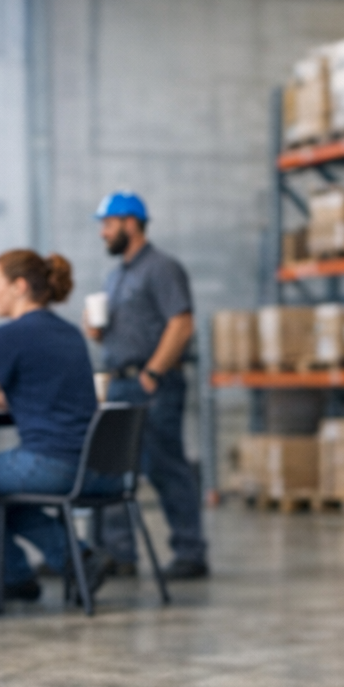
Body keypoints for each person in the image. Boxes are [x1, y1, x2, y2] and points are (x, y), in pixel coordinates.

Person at [0, 250, 111, 601]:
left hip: (51, 465)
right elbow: (43, 393)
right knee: (6, 498)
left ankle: (14, 577)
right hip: (97, 466)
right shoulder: (70, 333)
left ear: (19, 287)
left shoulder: (6, 336)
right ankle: (78, 558)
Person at [84, 192, 209, 579]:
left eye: (108, 224)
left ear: (131, 223)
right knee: (111, 469)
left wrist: (153, 372)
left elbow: (181, 323)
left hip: (153, 385)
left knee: (165, 466)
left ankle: (191, 552)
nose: (103, 232)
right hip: (120, 384)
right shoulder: (117, 274)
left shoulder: (162, 268)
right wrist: (98, 334)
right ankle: (118, 554)